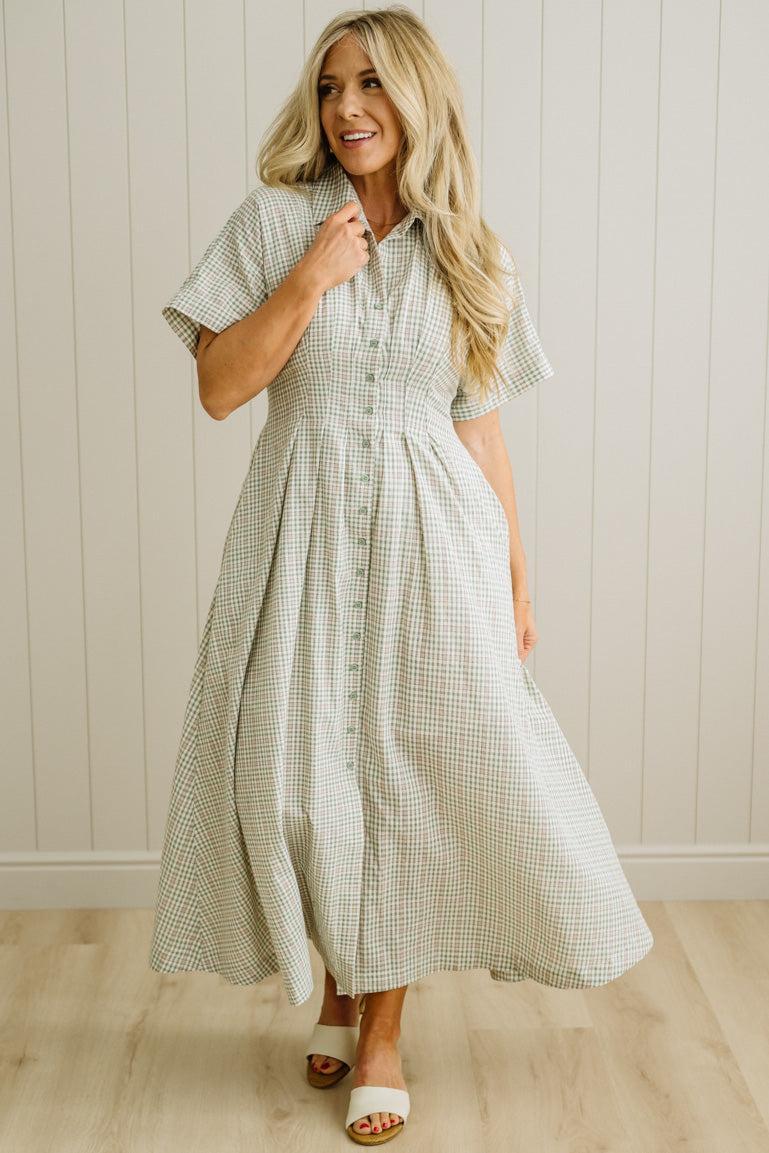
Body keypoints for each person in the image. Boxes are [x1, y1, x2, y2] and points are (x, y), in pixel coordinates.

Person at [149, 6, 654, 1145]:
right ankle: (334, 980)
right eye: (330, 86)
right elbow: (221, 388)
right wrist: (311, 280)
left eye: (370, 84)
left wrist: (515, 579)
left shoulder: (470, 246)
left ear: (417, 97)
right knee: (296, 779)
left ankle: (380, 1028)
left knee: (414, 776)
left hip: (440, 542)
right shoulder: (277, 222)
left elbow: (479, 429)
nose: (346, 108)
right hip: (300, 528)